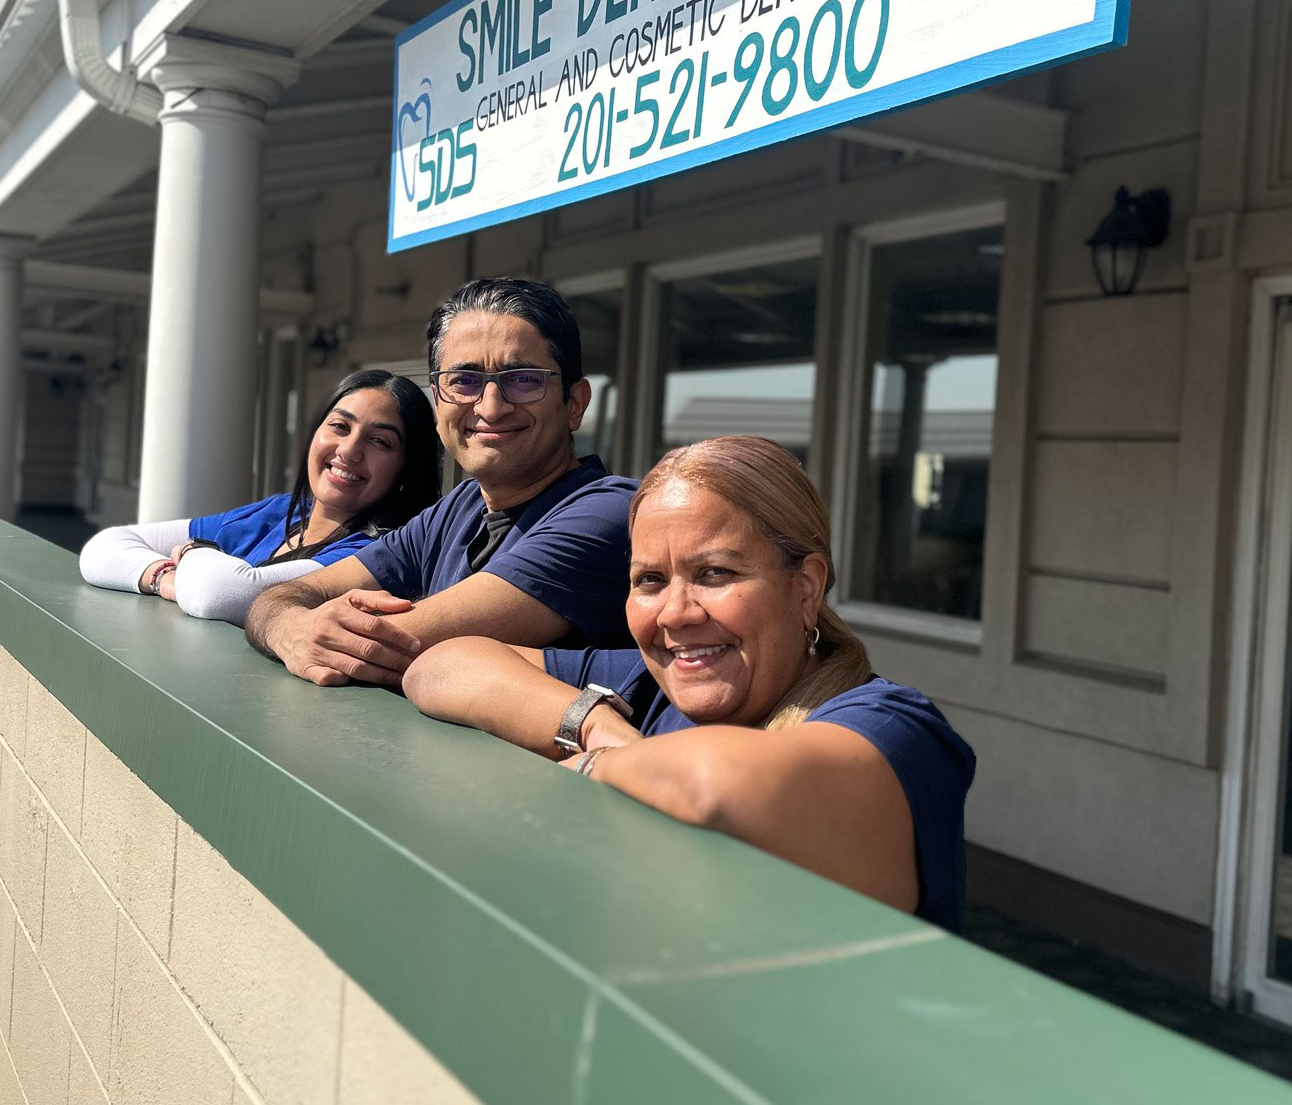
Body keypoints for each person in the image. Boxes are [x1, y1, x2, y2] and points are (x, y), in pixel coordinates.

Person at [402, 436, 976, 931]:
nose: (675, 613)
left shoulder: (895, 728)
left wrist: (592, 770)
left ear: (805, 588)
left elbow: (717, 786)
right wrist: (598, 727)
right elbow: (442, 665)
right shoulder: (646, 687)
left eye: (715, 574)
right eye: (649, 580)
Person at [244, 277, 636, 685]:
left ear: (574, 404)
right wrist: (287, 627)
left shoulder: (607, 512)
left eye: (522, 379)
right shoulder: (459, 509)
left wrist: (297, 626)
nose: (491, 406)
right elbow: (282, 595)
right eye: (464, 381)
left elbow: (399, 643)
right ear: (437, 401)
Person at [79, 368, 440, 625]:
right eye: (339, 427)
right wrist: (164, 578)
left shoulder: (375, 552)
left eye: (380, 441)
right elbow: (104, 547)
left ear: (407, 470)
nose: (349, 450)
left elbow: (221, 593)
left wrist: (190, 551)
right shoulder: (279, 511)